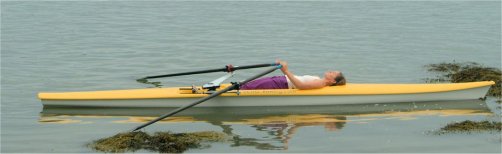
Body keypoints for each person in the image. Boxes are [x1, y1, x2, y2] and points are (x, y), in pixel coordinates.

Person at [240, 60, 346, 90]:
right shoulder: (319, 79)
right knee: (250, 84)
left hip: (282, 83)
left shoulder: (321, 82)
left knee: (249, 86)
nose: (331, 71)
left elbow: (301, 86)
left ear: (333, 81)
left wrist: (285, 70)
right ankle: (237, 87)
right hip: (281, 80)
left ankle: (233, 90)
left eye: (333, 73)